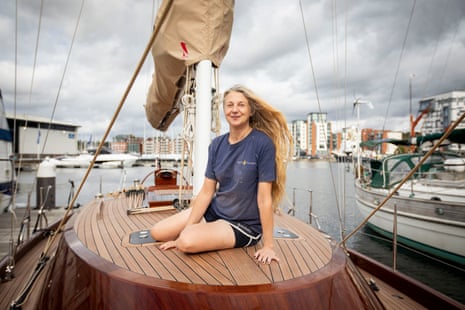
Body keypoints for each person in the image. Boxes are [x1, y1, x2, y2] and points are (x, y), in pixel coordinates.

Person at [150, 84, 292, 264]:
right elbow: (207, 192)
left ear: (250, 110)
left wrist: (268, 246)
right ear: (224, 110)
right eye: (229, 105)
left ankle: (203, 232)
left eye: (241, 105)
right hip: (215, 212)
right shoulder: (217, 144)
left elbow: (264, 199)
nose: (235, 110)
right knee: (158, 232)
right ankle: (203, 229)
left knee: (186, 241)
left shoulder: (262, 144)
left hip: (242, 225)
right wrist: (188, 227)